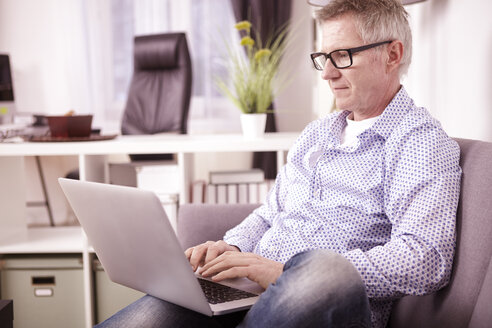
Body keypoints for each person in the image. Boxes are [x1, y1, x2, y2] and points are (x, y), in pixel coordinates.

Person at [96, 0, 462, 327]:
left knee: (327, 270)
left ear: (392, 54)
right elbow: (269, 213)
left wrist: (284, 273)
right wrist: (233, 249)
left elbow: (424, 258)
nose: (327, 73)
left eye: (343, 56)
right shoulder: (315, 134)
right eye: (323, 58)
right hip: (248, 293)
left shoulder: (419, 142)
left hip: (318, 301)